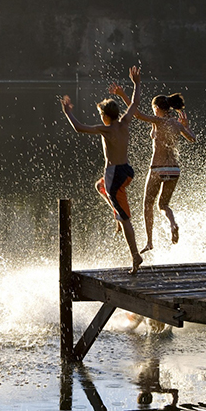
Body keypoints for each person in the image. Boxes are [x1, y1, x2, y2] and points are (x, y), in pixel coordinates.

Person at [60, 66, 143, 274]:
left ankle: (135, 256)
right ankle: (117, 213)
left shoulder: (105, 129)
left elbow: (79, 128)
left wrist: (68, 113)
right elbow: (134, 103)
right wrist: (137, 84)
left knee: (126, 219)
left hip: (114, 175)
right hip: (126, 171)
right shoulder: (124, 122)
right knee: (99, 186)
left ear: (106, 116)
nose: (100, 117)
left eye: (100, 114)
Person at [108, 85, 196, 252]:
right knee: (163, 205)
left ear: (156, 108)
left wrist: (122, 94)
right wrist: (187, 125)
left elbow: (137, 114)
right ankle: (172, 223)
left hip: (157, 168)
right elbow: (192, 139)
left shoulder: (158, 120)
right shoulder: (177, 124)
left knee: (148, 204)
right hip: (174, 171)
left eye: (153, 109)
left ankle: (149, 242)